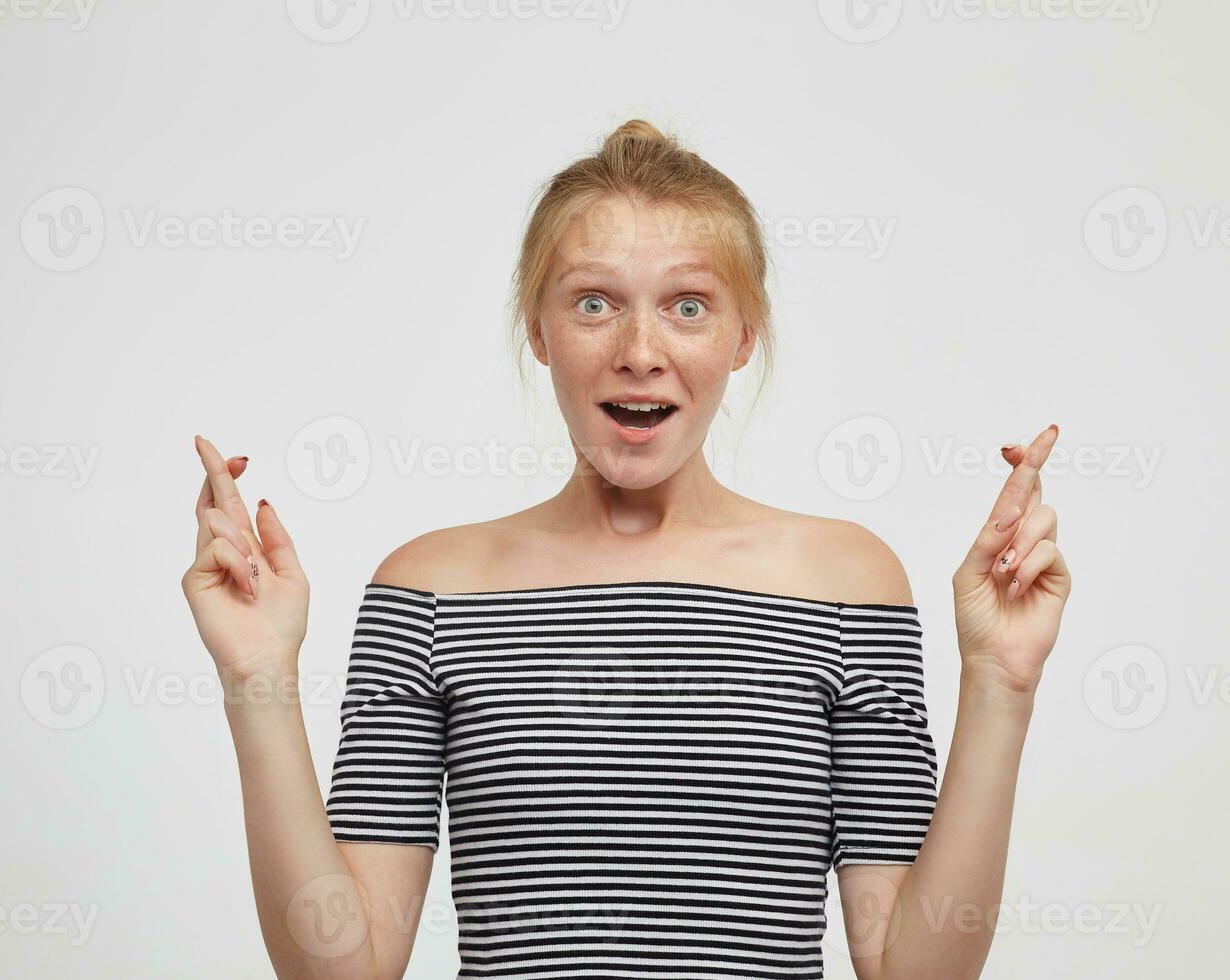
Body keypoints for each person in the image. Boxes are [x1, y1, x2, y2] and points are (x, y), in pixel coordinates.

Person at [181, 119, 1071, 980]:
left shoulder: (846, 584)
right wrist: (258, 679)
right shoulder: (428, 591)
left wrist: (1001, 684)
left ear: (742, 337)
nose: (639, 352)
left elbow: (913, 970)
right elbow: (345, 969)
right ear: (539, 330)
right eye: (594, 303)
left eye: (689, 306)